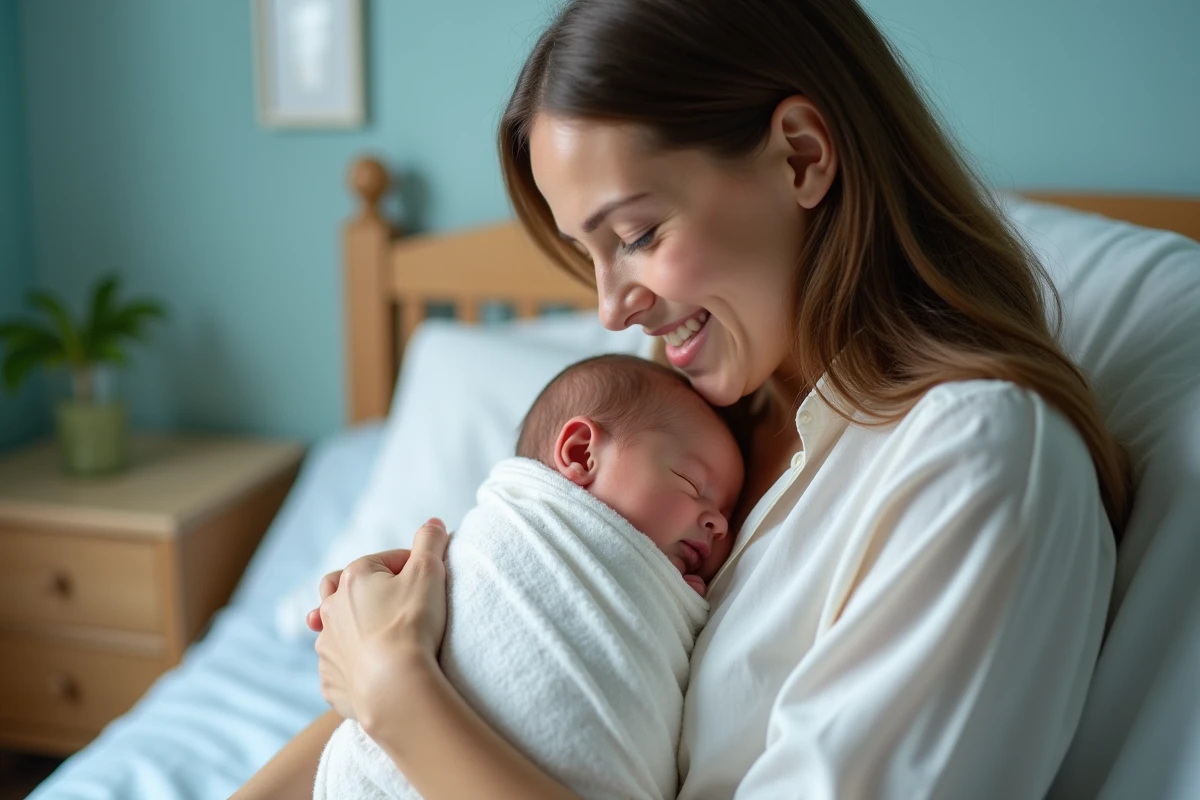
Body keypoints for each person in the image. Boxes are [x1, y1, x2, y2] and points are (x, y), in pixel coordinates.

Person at [237, 0, 1129, 797]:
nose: (610, 305)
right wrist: (450, 625)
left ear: (802, 155)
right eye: (589, 254)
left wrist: (400, 696)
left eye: (637, 234)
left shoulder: (975, 461)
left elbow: (395, 706)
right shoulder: (689, 421)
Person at [312, 354, 743, 799]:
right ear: (580, 454)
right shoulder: (513, 529)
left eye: (729, 513)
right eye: (692, 483)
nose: (720, 525)